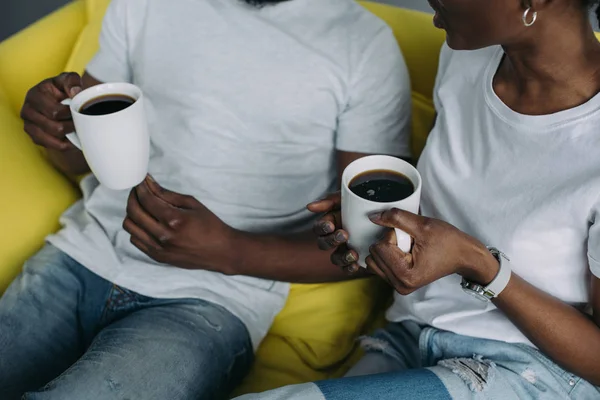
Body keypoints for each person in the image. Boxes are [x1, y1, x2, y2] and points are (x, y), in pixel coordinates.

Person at [0, 0, 412, 399]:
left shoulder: (363, 45)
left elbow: (376, 245)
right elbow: (76, 158)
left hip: (211, 303)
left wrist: (231, 251)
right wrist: (50, 127)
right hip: (78, 257)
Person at [235, 0, 600, 399]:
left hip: (527, 370)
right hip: (409, 340)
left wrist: (479, 264)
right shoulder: (466, 58)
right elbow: (454, 212)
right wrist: (371, 224)